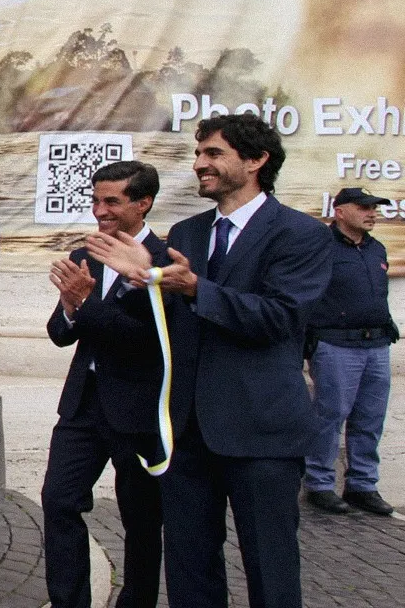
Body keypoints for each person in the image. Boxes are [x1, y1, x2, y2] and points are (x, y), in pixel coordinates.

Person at [88, 113, 332, 608]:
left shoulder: (300, 234)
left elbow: (279, 318)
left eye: (213, 154)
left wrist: (194, 287)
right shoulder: (189, 232)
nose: (199, 164)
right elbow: (165, 320)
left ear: (257, 160)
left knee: (271, 568)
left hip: (262, 430)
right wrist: (140, 282)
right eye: (198, 154)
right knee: (190, 567)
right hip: (188, 433)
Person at [41, 161, 167, 608]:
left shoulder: (164, 261)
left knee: (141, 520)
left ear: (143, 202)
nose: (100, 211)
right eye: (95, 200)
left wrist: (86, 306)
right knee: (58, 502)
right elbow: (60, 333)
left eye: (111, 201)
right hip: (82, 407)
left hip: (137, 410)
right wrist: (72, 308)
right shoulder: (85, 255)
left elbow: (145, 337)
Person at [302, 186, 397, 516]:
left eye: (375, 207)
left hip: (376, 344)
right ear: (340, 211)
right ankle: (319, 484)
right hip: (336, 344)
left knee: (370, 418)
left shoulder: (376, 249)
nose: (372, 213)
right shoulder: (321, 248)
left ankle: (362, 485)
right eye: (364, 207)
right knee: (329, 416)